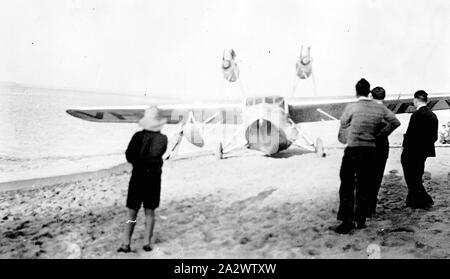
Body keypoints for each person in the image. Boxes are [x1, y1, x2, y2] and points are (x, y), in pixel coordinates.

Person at [335, 79, 400, 234]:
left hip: (353, 150)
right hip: (369, 151)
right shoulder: (379, 109)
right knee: (365, 185)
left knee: (347, 185)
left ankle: (346, 221)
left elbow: (343, 123)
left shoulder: (352, 107)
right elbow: (395, 122)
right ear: (369, 92)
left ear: (356, 91)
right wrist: (378, 135)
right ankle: (361, 220)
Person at [117, 106, 168, 253]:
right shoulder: (163, 138)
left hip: (138, 177)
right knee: (150, 212)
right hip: (153, 178)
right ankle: (147, 242)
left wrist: (140, 161)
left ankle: (126, 243)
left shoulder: (137, 137)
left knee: (132, 212)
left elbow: (129, 156)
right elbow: (160, 153)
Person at [401, 90, 438, 209]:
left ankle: (425, 200)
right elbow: (434, 137)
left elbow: (410, 134)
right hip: (424, 151)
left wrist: (405, 147)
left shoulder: (416, 115)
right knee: (416, 175)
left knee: (411, 176)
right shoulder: (433, 115)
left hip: (412, 151)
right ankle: (412, 201)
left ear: (416, 100)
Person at [367, 86, 391, 216]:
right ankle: (371, 208)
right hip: (383, 149)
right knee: (376, 180)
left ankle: (365, 209)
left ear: (371, 97)